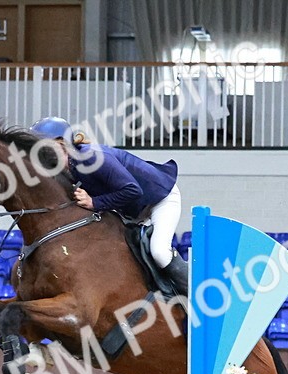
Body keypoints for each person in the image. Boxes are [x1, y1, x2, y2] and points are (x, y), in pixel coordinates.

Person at [29, 116, 187, 292]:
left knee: (159, 252)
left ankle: (193, 293)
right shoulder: (66, 170)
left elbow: (133, 190)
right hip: (132, 211)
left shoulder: (92, 156)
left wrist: (94, 202)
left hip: (160, 198)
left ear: (62, 144)